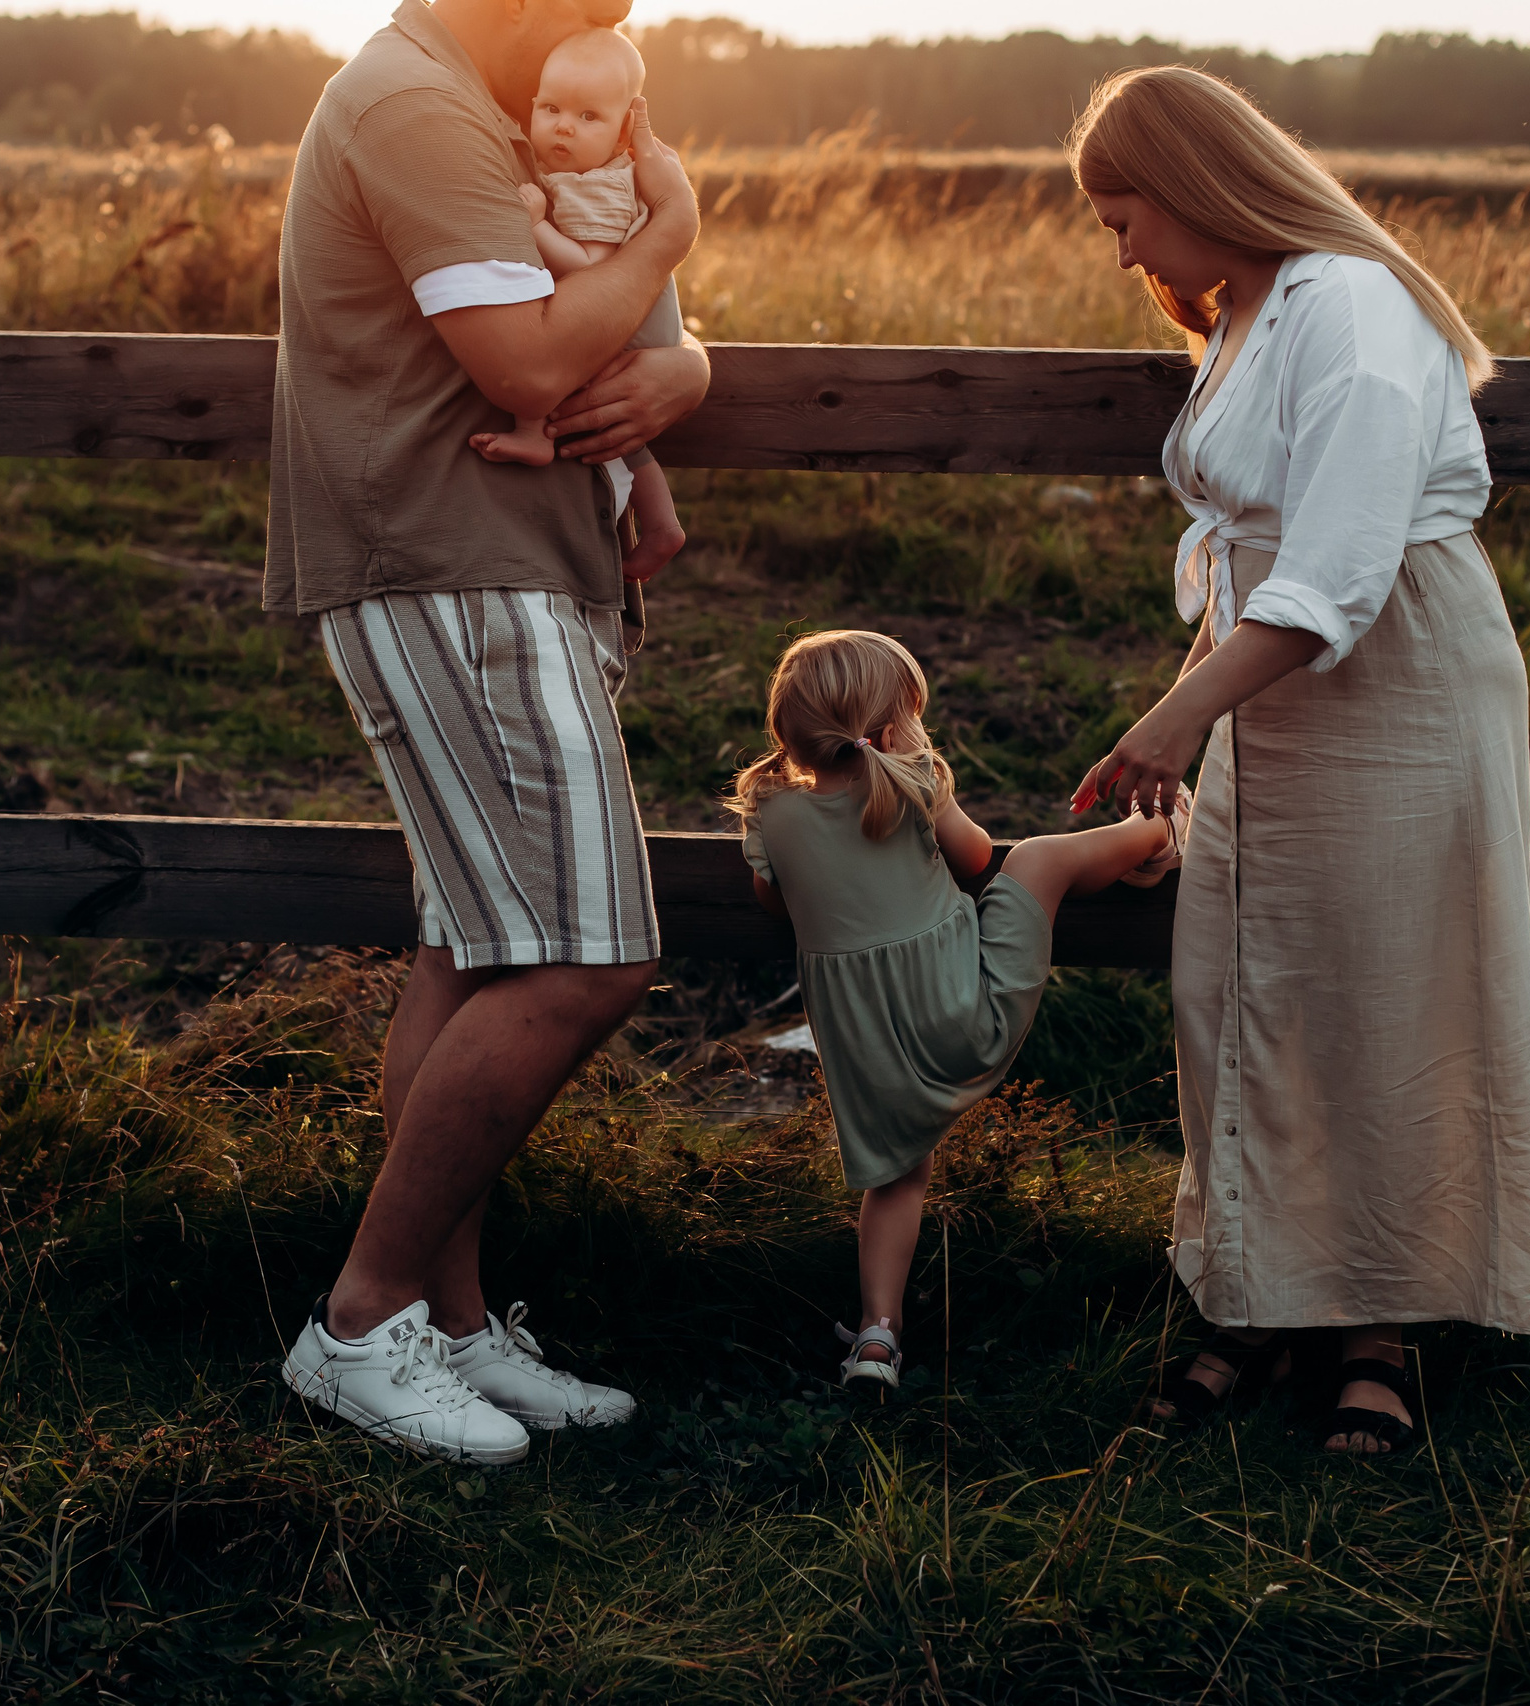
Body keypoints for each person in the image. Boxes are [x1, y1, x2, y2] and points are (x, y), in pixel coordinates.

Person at [1064, 66, 1530, 1454]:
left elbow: (1341, 562)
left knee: (1381, 994)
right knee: (1245, 984)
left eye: (1124, 218)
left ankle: (1378, 1328)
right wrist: (1199, 693)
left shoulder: (1351, 302)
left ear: (1194, 184)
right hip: (1272, 676)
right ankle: (1263, 1292)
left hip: (1392, 667)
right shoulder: (1247, 311)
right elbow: (1259, 550)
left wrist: (1178, 716)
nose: (1121, 252)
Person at [264, 0, 711, 1466]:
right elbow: (525, 364)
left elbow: (600, 320)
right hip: (452, 566)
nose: (606, 27)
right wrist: (674, 230)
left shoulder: (481, 104)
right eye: (591, 7)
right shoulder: (418, 109)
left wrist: (685, 369)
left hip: (497, 561)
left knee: (473, 950)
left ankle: (446, 1327)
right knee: (591, 953)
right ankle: (358, 1321)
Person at [730, 631, 1179, 1393]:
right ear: (888, 727)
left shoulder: (770, 815)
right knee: (1038, 858)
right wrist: (920, 779)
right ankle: (1163, 830)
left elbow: (773, 902)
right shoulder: (913, 783)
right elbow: (977, 860)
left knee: (896, 1181)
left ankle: (877, 1336)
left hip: (869, 1049)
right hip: (963, 1014)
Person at [468, 27, 687, 584]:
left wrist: (535, 225)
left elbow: (592, 269)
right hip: (633, 319)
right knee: (622, 435)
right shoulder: (572, 171)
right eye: (551, 108)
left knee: (551, 352)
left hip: (631, 324)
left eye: (588, 116)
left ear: (622, 135)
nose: (564, 125)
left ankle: (533, 433)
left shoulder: (600, 186)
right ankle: (663, 525)